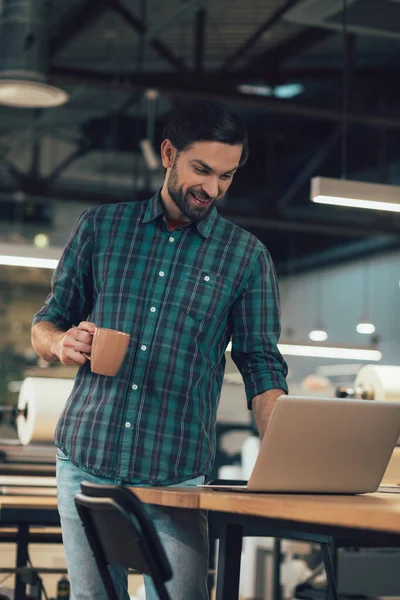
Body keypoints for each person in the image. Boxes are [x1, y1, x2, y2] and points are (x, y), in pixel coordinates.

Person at [31, 100, 288, 600]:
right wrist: (61, 343)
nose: (212, 188)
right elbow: (47, 321)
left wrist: (285, 455)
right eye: (202, 169)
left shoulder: (247, 257)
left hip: (175, 474)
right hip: (86, 459)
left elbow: (261, 361)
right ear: (169, 153)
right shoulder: (101, 229)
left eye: (227, 176)